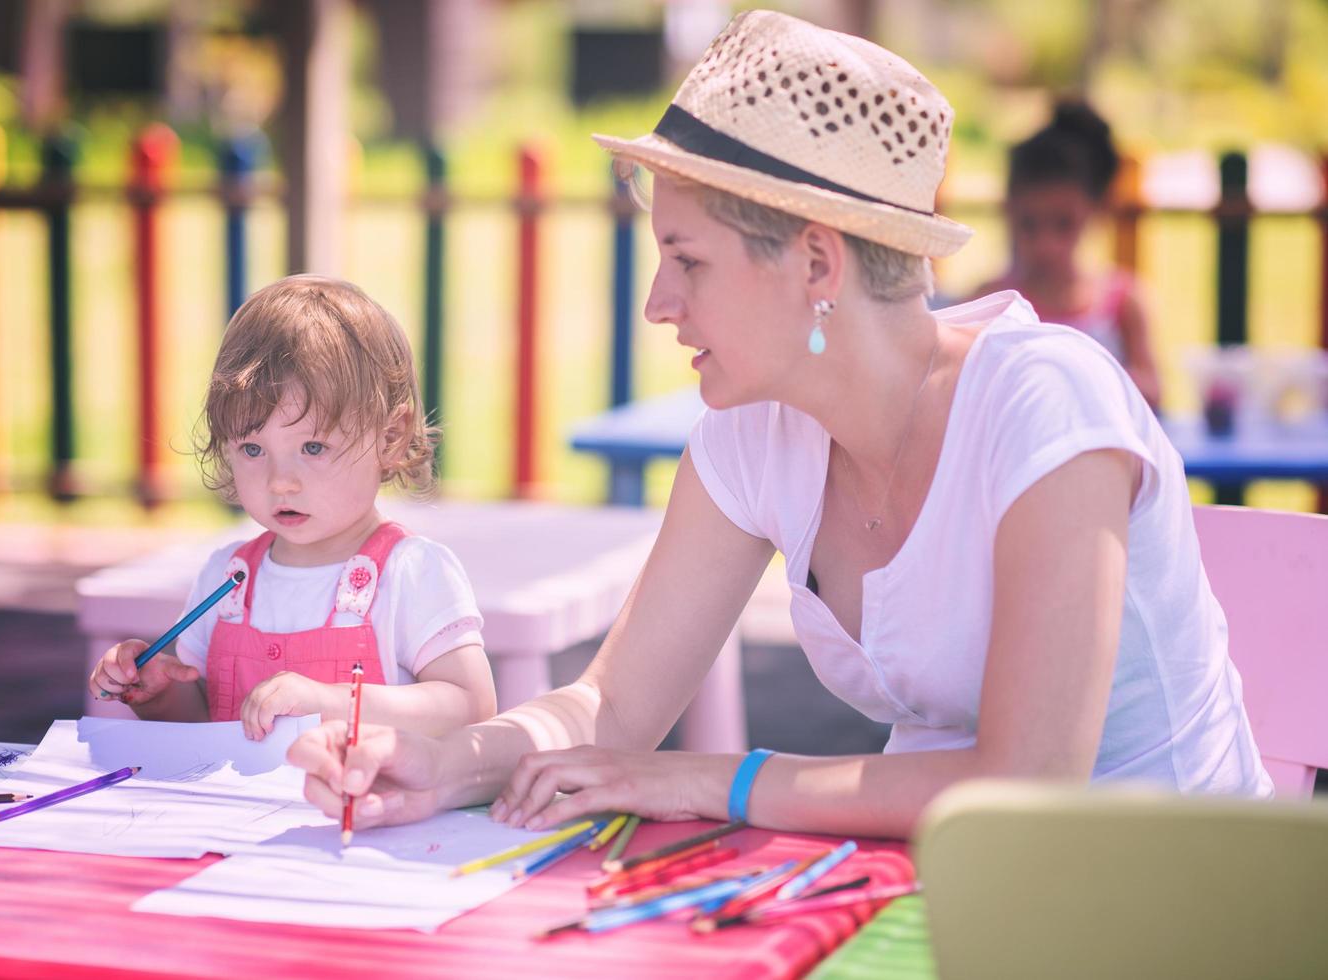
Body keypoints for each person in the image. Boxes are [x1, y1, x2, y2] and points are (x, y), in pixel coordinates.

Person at [288, 10, 1272, 840]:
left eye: (688, 259)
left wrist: (709, 777)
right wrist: (437, 762)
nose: (656, 304)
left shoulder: (1043, 404)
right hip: (941, 893)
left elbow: (1028, 783)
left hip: (1164, 907)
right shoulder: (754, 432)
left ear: (814, 265)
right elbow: (612, 705)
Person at [88, 275, 497, 740]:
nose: (281, 481)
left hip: (362, 809)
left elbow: (471, 704)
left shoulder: (411, 572)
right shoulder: (228, 579)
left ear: (389, 437)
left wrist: (330, 703)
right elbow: (206, 721)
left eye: (314, 447)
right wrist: (160, 694)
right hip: (236, 812)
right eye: (252, 449)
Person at [974, 101, 1161, 408]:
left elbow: (1153, 393)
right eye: (1029, 224)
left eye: (1063, 224)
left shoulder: (1121, 303)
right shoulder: (987, 304)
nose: (1047, 244)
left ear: (1096, 210)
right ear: (1008, 212)